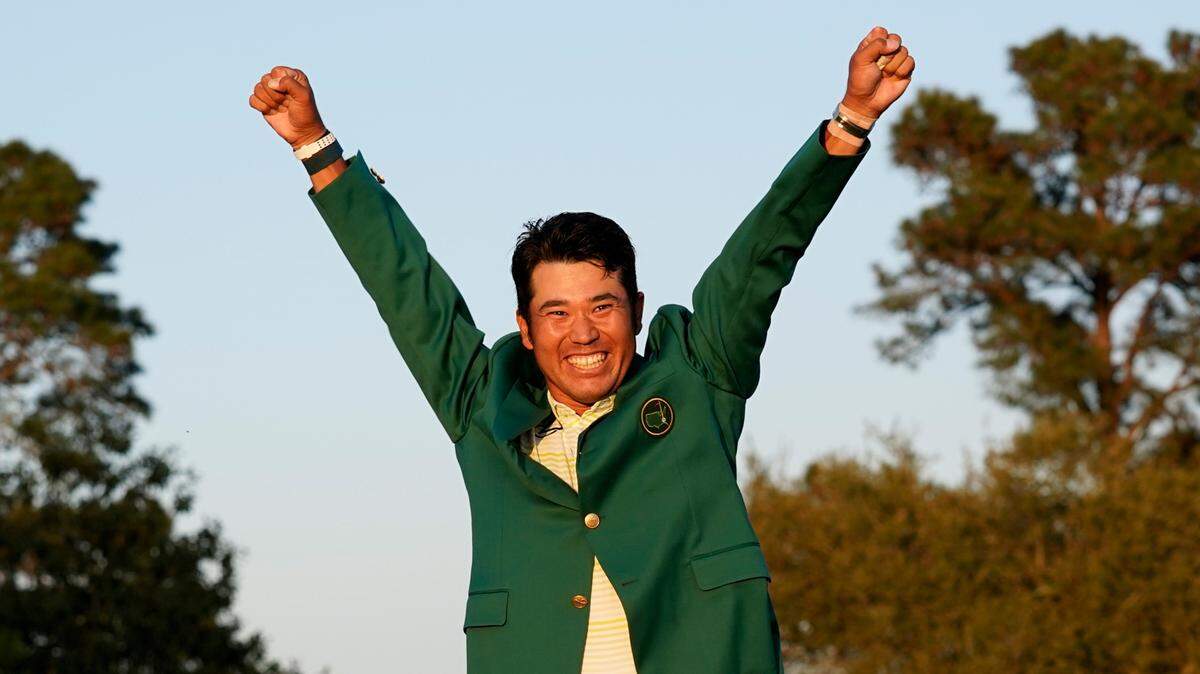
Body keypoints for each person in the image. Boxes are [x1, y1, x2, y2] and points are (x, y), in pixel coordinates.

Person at [249, 25, 914, 674]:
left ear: (636, 310)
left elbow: (762, 254)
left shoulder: (697, 377)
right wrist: (315, 145)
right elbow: (405, 288)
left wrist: (850, 120)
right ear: (527, 328)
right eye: (557, 313)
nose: (584, 334)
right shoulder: (480, 408)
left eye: (603, 306)